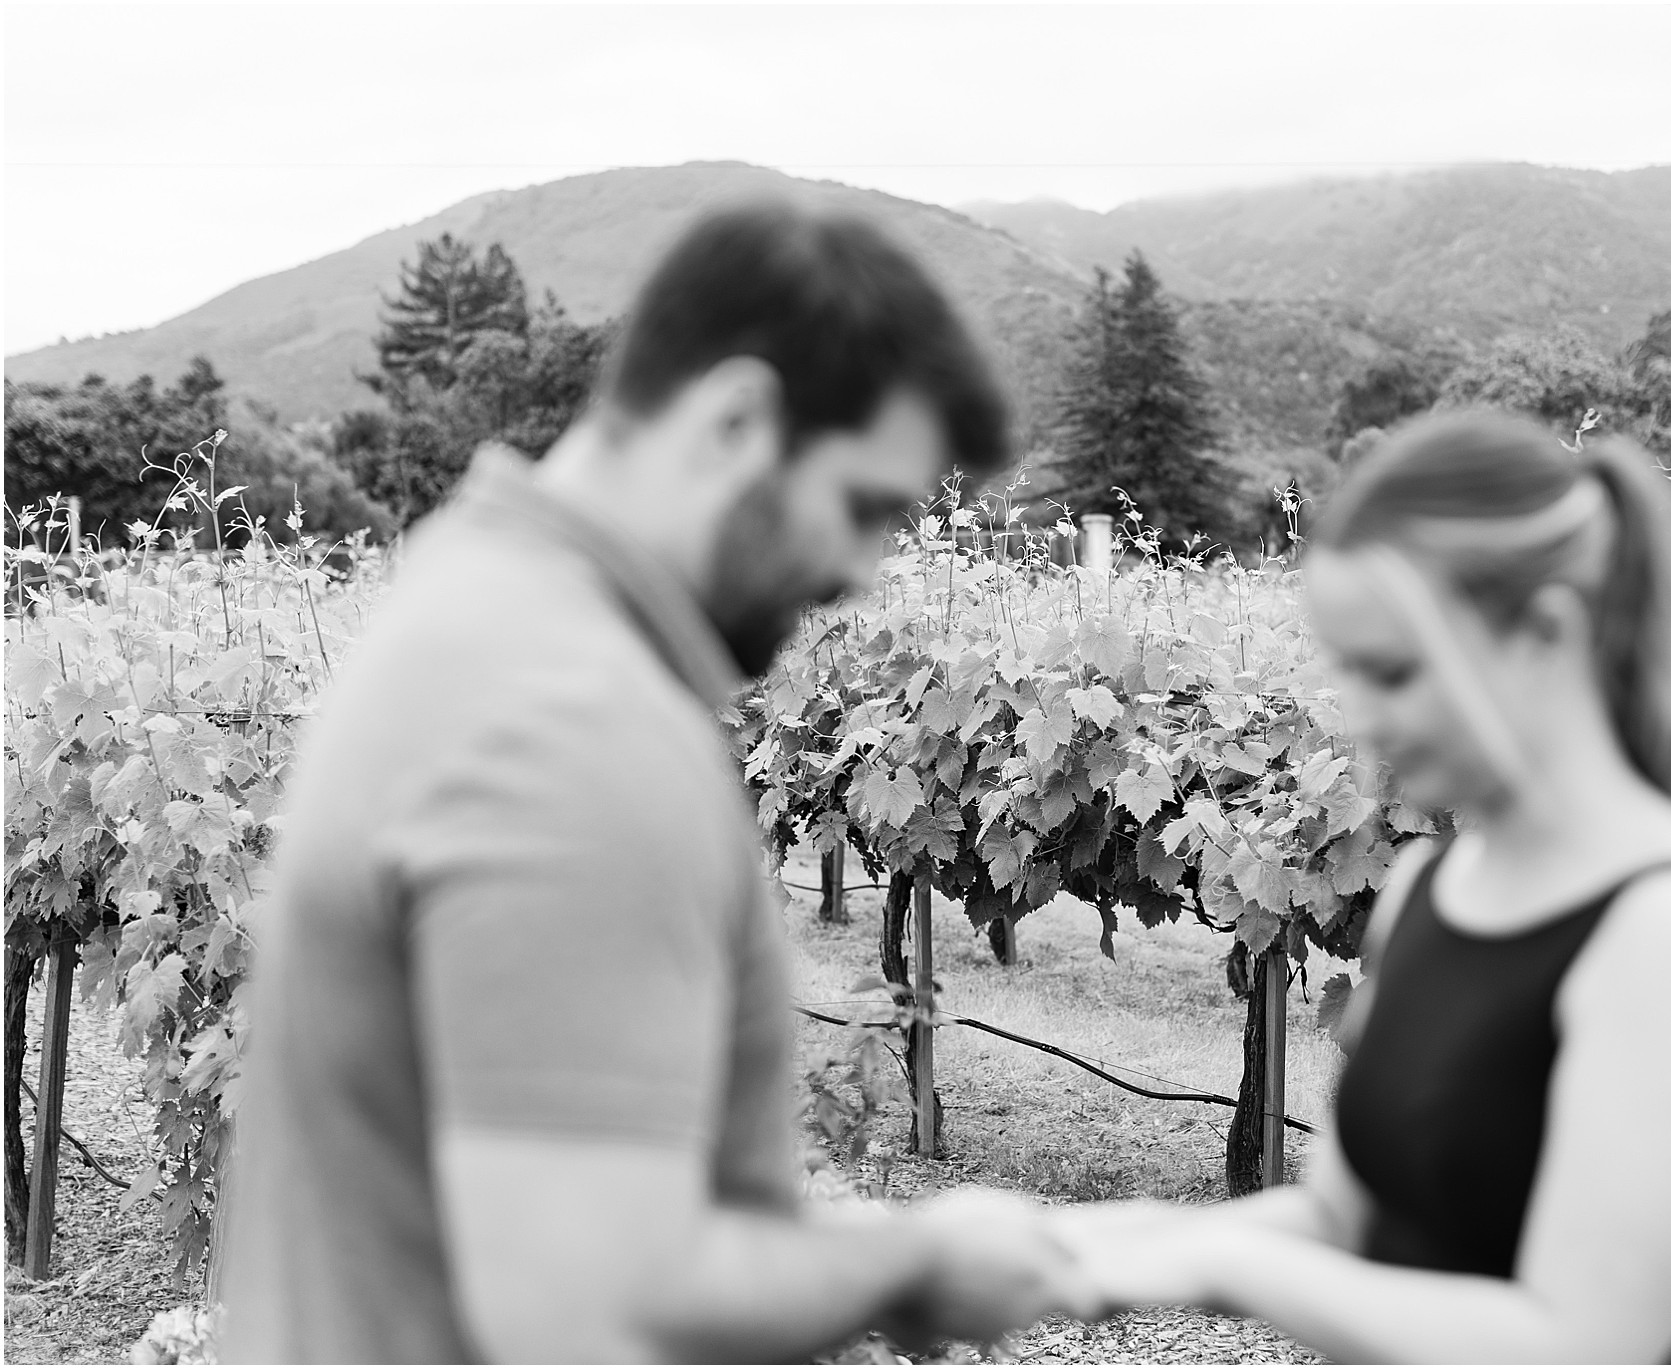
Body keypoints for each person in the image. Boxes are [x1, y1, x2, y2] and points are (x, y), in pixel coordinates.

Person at [218, 202, 1095, 1363]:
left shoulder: (472, 601)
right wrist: (913, 1263)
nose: (860, 572)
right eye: (863, 507)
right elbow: (586, 1308)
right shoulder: (574, 715)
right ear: (734, 420)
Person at [1052, 410, 1671, 1363]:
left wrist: (1225, 1267)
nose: (1361, 716)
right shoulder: (1431, 889)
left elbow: (1583, 1344)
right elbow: (1344, 1215)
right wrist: (1070, 1251)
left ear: (1547, 634)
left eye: (1394, 671)